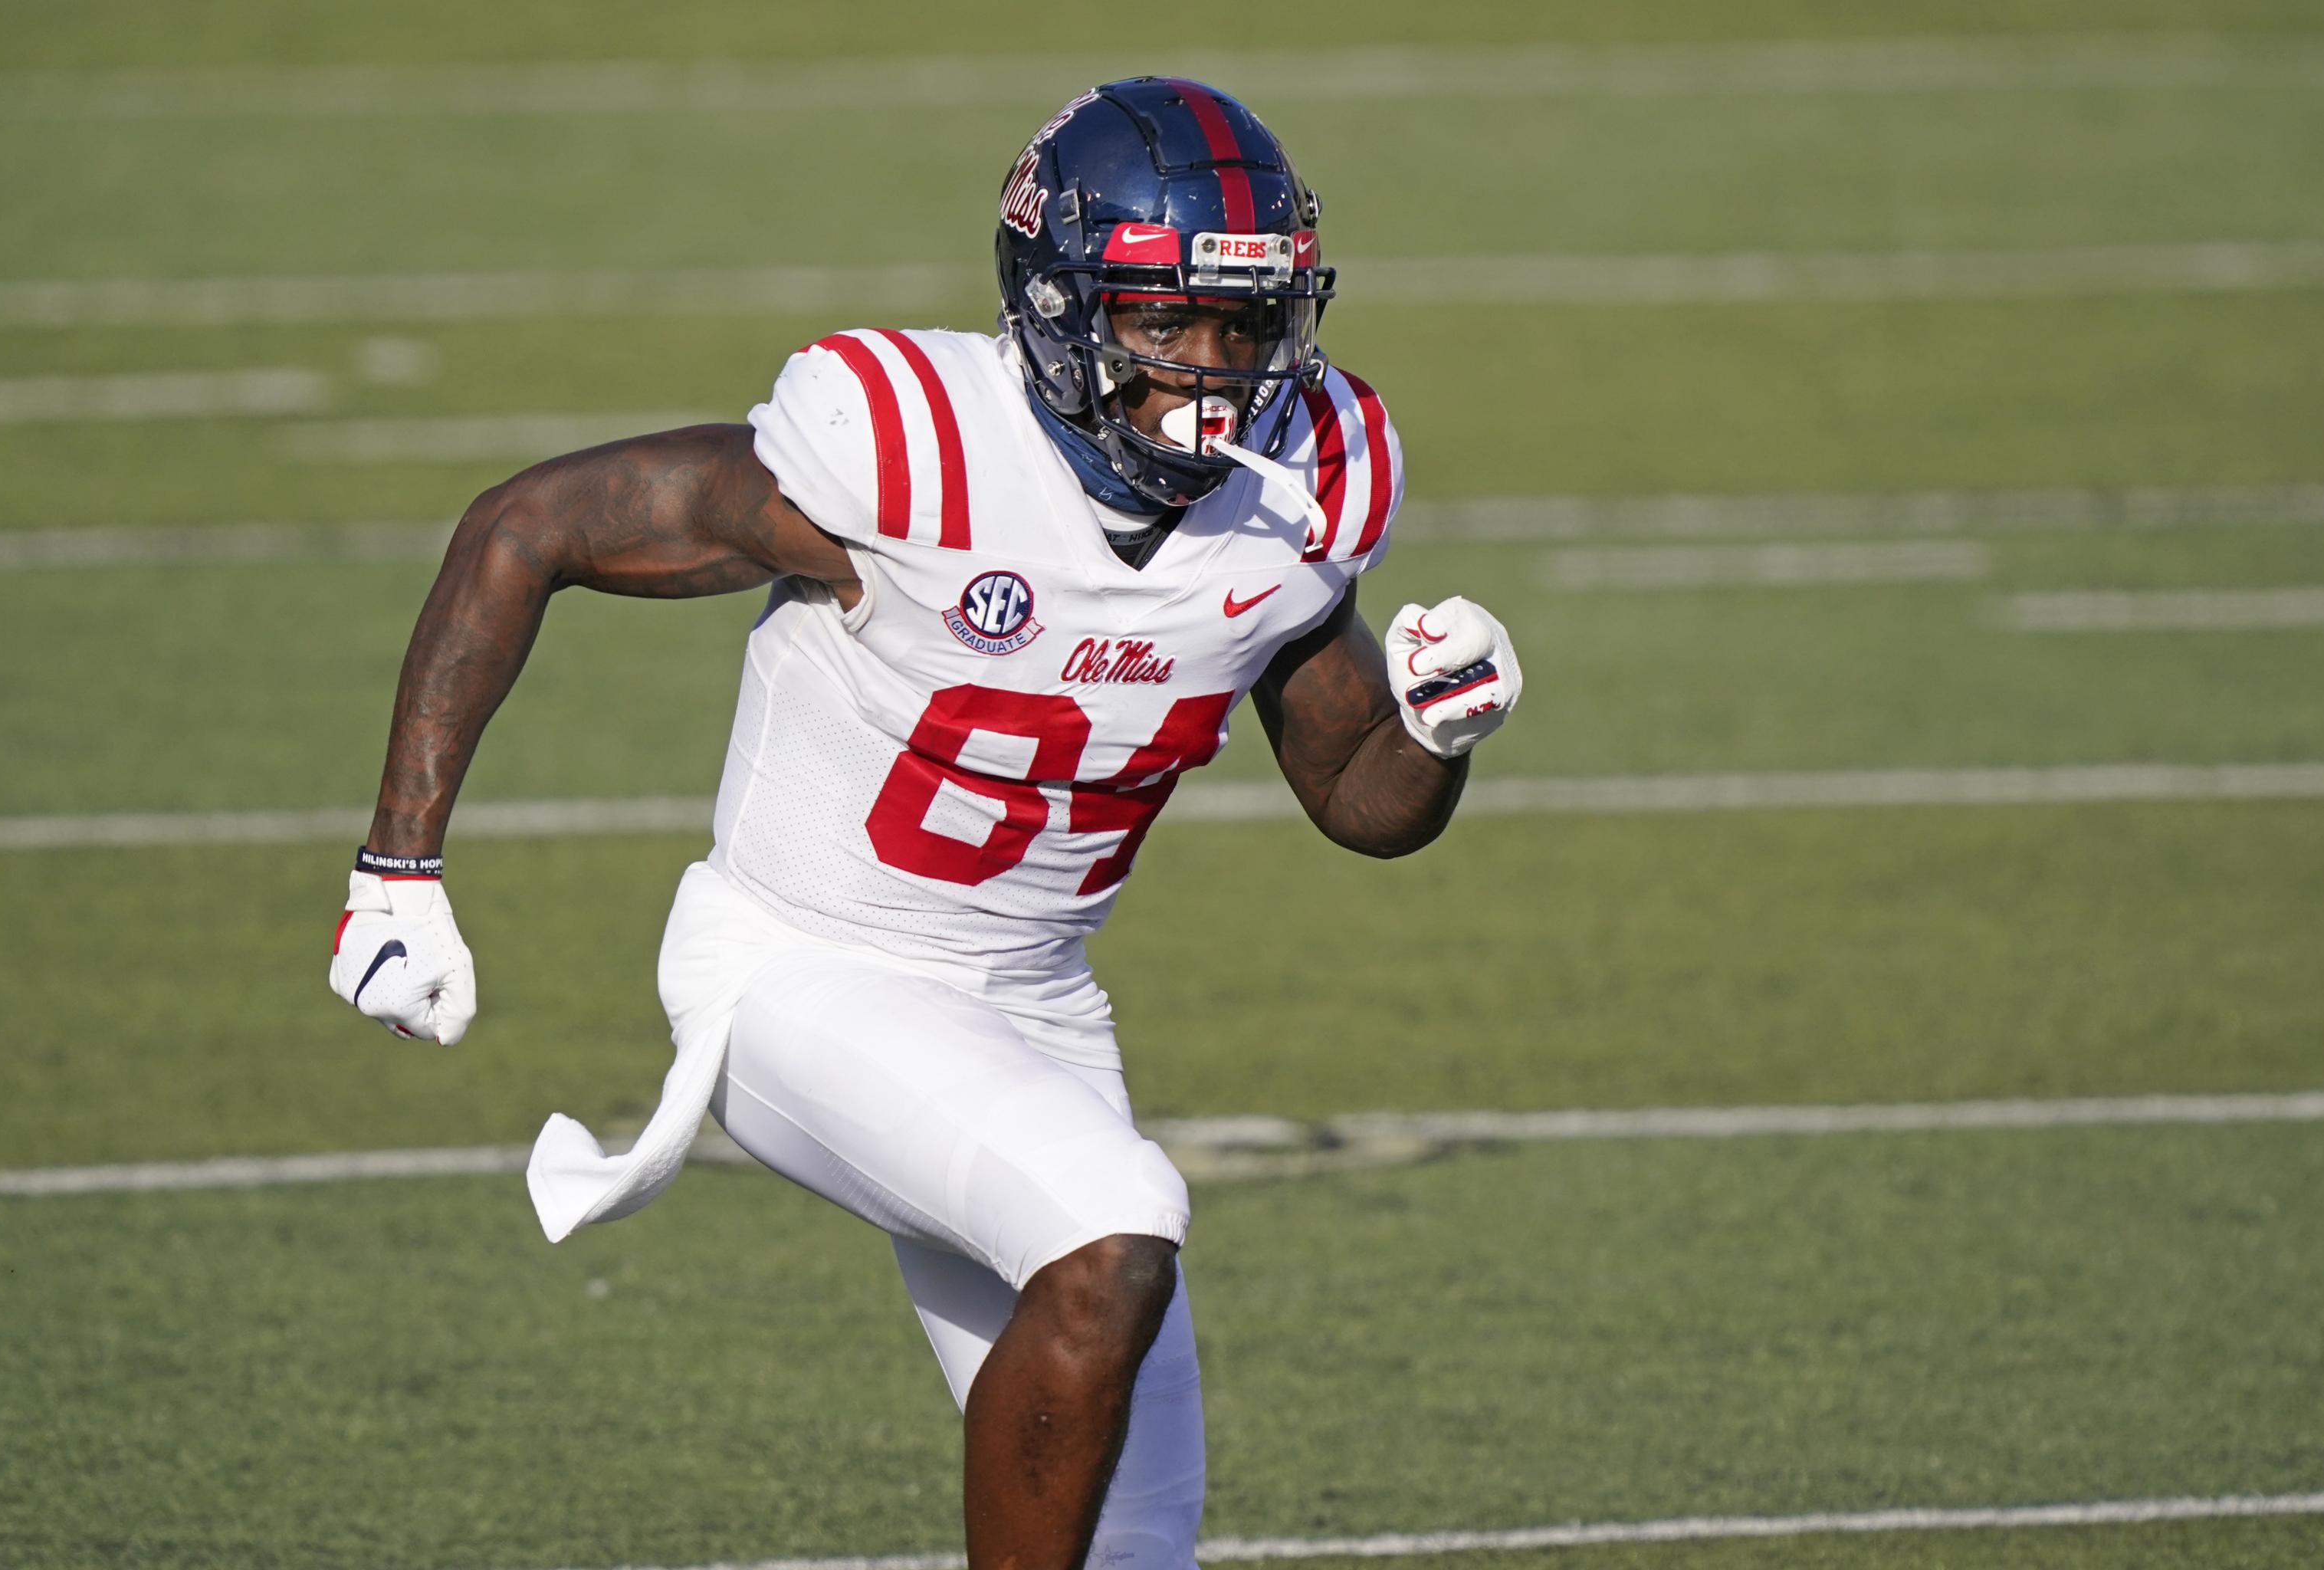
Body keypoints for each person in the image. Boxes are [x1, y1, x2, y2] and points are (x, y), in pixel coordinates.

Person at [329, 77, 1521, 1570]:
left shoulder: (1303, 486)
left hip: (1033, 1007)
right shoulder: (913, 450)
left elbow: (1358, 799)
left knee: (1136, 1535)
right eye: (1163, 322)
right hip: (800, 974)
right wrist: (398, 865)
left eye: (1245, 324)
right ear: (1057, 301)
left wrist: (1438, 730)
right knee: (1118, 1226)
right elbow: (529, 525)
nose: (1211, 373)